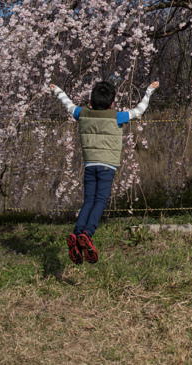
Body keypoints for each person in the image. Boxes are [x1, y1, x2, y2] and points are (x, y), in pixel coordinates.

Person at [48, 79, 159, 264]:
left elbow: (68, 105)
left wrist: (57, 90)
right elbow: (139, 110)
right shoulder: (117, 116)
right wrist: (149, 91)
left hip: (90, 165)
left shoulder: (82, 114)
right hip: (107, 166)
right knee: (100, 200)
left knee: (88, 200)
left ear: (91, 102)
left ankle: (77, 233)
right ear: (112, 103)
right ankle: (87, 234)